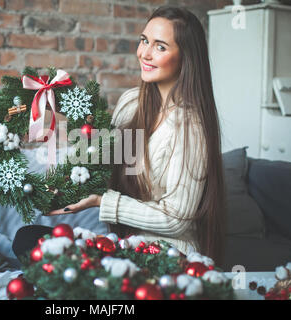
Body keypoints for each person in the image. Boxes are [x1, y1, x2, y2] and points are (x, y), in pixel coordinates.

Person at [13, 6, 226, 265]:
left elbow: (177, 219)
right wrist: (65, 184)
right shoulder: (131, 103)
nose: (145, 54)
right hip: (125, 246)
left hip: (168, 256)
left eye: (160, 47)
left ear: (185, 57)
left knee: (58, 261)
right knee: (28, 239)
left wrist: (104, 202)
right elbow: (105, 164)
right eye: (144, 41)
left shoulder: (191, 127)